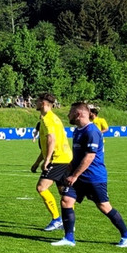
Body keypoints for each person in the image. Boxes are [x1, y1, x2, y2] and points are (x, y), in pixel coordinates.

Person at [52, 102, 127, 247]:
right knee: (66, 200)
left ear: (78, 114)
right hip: (78, 176)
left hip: (93, 177)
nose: (68, 115)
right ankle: (69, 238)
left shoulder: (91, 131)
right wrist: (69, 168)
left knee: (104, 206)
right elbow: (78, 156)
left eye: (70, 112)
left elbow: (89, 156)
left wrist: (74, 176)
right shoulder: (77, 131)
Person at [30, 93, 71, 232]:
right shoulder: (53, 118)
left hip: (57, 159)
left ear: (43, 103)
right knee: (64, 192)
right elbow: (47, 146)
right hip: (65, 158)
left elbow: (51, 140)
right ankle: (68, 222)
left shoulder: (48, 119)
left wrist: (47, 160)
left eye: (37, 101)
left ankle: (57, 219)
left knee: (41, 188)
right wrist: (37, 163)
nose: (35, 103)